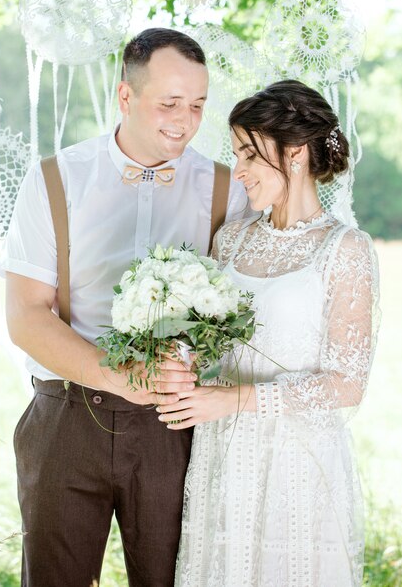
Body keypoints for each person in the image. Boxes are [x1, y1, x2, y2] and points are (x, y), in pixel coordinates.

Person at [0, 28, 248, 587]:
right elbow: (26, 315)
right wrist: (117, 373)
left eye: (198, 106)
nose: (185, 121)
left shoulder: (227, 190)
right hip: (65, 416)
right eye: (169, 104)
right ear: (125, 97)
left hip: (174, 425)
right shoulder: (54, 180)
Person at [156, 80, 380, 587]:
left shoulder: (346, 249)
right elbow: (204, 337)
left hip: (299, 465)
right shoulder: (230, 239)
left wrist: (235, 399)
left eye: (249, 155)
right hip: (223, 454)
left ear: (295, 153)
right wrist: (179, 356)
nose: (238, 171)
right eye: (236, 154)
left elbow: (347, 383)